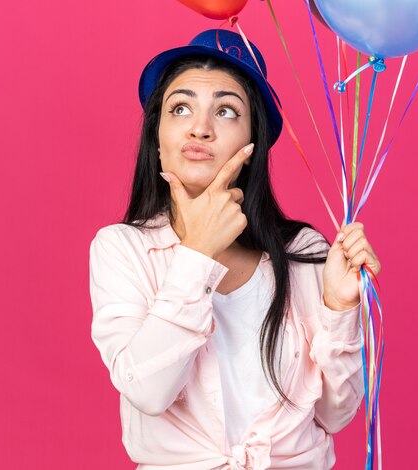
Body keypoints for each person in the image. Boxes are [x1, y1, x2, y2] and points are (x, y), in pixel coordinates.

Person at [89, 29, 381, 470]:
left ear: (253, 143)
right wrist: (197, 253)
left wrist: (339, 308)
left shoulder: (304, 252)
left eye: (225, 111)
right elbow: (147, 392)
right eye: (180, 108)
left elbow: (335, 415)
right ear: (157, 136)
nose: (200, 128)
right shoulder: (122, 249)